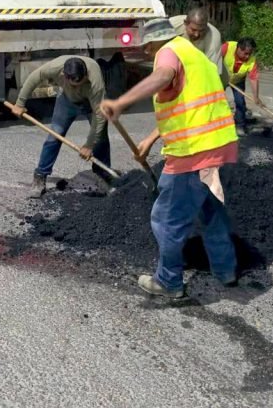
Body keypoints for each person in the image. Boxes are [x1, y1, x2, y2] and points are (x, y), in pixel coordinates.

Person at [101, 18, 239, 299]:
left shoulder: (167, 53)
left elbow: (163, 76)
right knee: (211, 211)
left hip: (191, 153)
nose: (148, 52)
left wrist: (120, 102)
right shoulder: (193, 55)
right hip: (218, 147)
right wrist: (151, 139)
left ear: (152, 42)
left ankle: (169, 281)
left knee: (166, 219)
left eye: (147, 47)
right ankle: (226, 271)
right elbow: (187, 105)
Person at [10, 56, 112, 198]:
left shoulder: (95, 80)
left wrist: (89, 145)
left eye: (81, 83)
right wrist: (20, 103)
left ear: (85, 75)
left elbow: (100, 116)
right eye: (74, 84)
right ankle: (40, 177)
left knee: (100, 138)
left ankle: (103, 175)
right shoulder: (54, 67)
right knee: (54, 136)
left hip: (91, 104)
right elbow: (35, 76)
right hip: (67, 102)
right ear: (64, 75)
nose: (77, 86)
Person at [169, 7, 227, 85]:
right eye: (193, 30)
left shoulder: (214, 37)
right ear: (185, 23)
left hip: (213, 79)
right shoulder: (172, 24)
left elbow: (211, 72)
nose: (197, 34)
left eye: (202, 31)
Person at [220, 37, 262, 136]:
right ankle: (217, 124)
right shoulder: (227, 47)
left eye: (250, 53)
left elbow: (253, 79)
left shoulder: (252, 60)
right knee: (218, 101)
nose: (247, 56)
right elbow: (213, 59)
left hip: (238, 80)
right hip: (221, 78)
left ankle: (240, 126)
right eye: (245, 53)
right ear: (238, 49)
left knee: (240, 103)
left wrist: (256, 97)